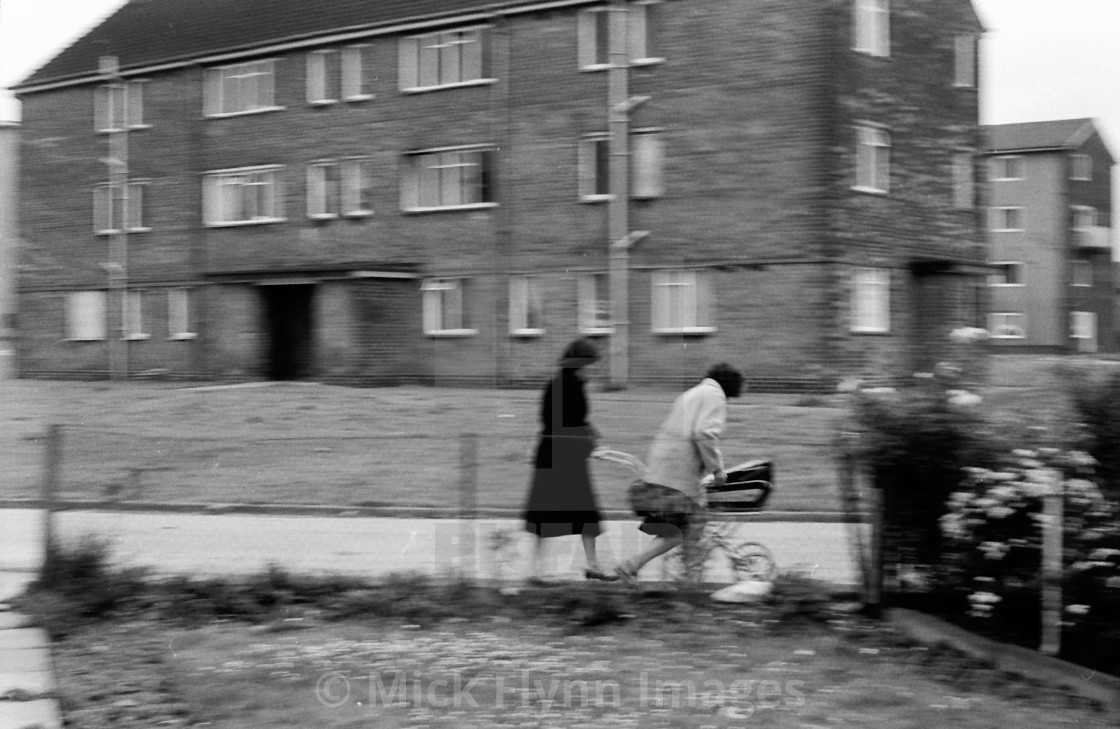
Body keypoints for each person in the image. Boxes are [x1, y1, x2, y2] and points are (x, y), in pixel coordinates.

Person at [615, 363, 745, 584]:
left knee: (677, 530)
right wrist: (717, 470)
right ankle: (690, 579)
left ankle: (635, 566)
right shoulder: (715, 396)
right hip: (678, 474)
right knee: (691, 525)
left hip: (661, 467)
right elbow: (704, 433)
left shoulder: (690, 394)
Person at [522, 337, 617, 582]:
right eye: (591, 364)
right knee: (550, 511)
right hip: (557, 457)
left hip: (566, 456)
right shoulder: (562, 386)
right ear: (580, 363)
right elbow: (560, 425)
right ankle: (537, 570)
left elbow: (578, 422)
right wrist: (589, 443)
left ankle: (592, 566)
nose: (594, 369)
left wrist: (593, 439)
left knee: (584, 510)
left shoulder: (570, 383)